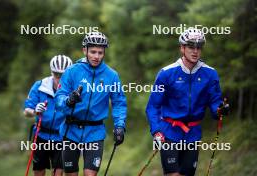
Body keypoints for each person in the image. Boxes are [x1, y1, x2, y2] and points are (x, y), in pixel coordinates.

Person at [145, 28, 229, 176]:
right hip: (169, 132)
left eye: (199, 47)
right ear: (182, 48)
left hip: (193, 134)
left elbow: (215, 102)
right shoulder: (167, 73)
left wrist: (220, 110)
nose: (195, 51)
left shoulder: (210, 74)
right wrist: (156, 130)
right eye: (191, 46)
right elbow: (153, 106)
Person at [55, 32, 127, 176]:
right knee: (71, 173)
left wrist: (120, 126)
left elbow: (119, 103)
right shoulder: (71, 71)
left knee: (90, 174)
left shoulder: (112, 75)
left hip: (95, 132)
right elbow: (59, 99)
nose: (96, 56)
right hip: (71, 130)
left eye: (100, 52)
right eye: (93, 52)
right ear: (85, 50)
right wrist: (68, 100)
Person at [24, 55, 73, 176]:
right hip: (41, 136)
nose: (59, 78)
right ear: (51, 72)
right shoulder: (40, 86)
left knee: (57, 173)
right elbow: (26, 111)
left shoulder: (73, 91)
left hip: (61, 138)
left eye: (63, 75)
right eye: (56, 74)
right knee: (39, 172)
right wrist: (35, 111)